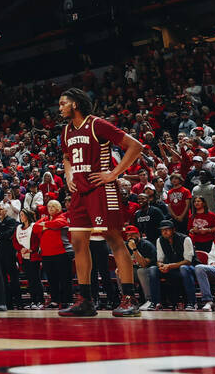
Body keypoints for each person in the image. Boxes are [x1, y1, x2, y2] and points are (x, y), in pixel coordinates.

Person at [57, 88, 143, 317]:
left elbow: (136, 146)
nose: (60, 108)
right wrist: (68, 176)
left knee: (114, 239)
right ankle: (85, 300)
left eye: (63, 103)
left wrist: (114, 173)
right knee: (77, 243)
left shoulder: (97, 124)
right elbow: (66, 157)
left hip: (101, 189)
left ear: (75, 104)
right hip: (79, 192)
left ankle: (129, 298)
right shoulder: (66, 131)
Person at [155, 220, 194, 309]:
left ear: (173, 230)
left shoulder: (185, 239)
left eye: (167, 229)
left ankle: (191, 302)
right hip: (171, 268)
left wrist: (169, 266)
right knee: (153, 270)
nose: (164, 232)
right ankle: (155, 302)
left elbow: (188, 261)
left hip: (189, 268)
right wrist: (161, 266)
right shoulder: (159, 240)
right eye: (162, 230)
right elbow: (159, 259)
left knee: (183, 269)